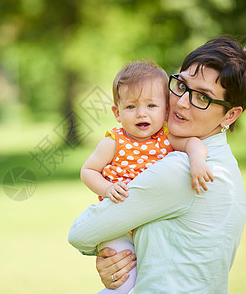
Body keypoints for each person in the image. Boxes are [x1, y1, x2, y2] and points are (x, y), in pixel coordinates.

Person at [68, 35, 246, 293]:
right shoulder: (226, 163)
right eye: (181, 85)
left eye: (203, 98)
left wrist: (103, 249)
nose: (181, 102)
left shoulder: (181, 170)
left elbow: (80, 233)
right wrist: (117, 260)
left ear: (230, 114)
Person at [80, 61, 214, 293]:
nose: (141, 113)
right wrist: (106, 188)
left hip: (151, 227)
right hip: (119, 226)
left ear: (165, 110)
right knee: (123, 282)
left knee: (151, 279)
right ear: (117, 113)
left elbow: (193, 143)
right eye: (131, 107)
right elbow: (88, 170)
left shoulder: (167, 138)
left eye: (151, 105)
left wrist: (198, 162)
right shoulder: (114, 141)